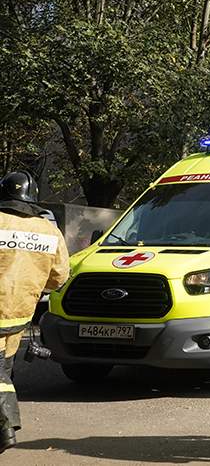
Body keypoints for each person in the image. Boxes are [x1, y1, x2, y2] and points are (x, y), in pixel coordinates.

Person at [0, 171, 69, 453]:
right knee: (4, 369)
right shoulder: (48, 231)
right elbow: (59, 277)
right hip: (19, 315)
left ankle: (6, 428)